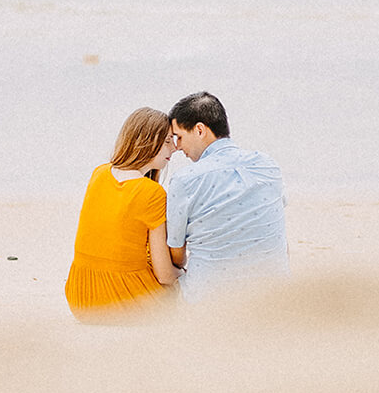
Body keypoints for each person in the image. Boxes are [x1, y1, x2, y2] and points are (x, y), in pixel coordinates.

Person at [165, 91, 288, 301]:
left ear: (200, 130)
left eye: (179, 137)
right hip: (275, 297)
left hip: (211, 301)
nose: (177, 147)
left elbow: (177, 255)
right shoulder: (267, 165)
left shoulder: (185, 180)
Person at [64, 108, 179, 321]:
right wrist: (184, 275)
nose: (175, 148)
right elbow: (164, 275)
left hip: (81, 298)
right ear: (146, 142)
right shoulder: (152, 192)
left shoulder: (99, 173)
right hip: (125, 302)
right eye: (166, 142)